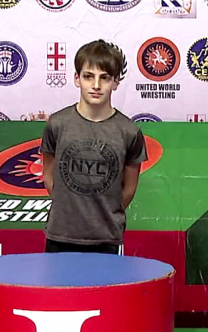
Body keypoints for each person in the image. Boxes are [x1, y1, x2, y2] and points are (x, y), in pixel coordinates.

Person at [40, 39, 146, 254]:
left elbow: (128, 190)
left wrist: (103, 216)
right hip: (60, 235)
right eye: (88, 76)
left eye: (104, 78)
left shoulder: (129, 132)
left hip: (106, 238)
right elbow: (49, 177)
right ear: (76, 79)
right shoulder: (57, 124)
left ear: (115, 82)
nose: (96, 85)